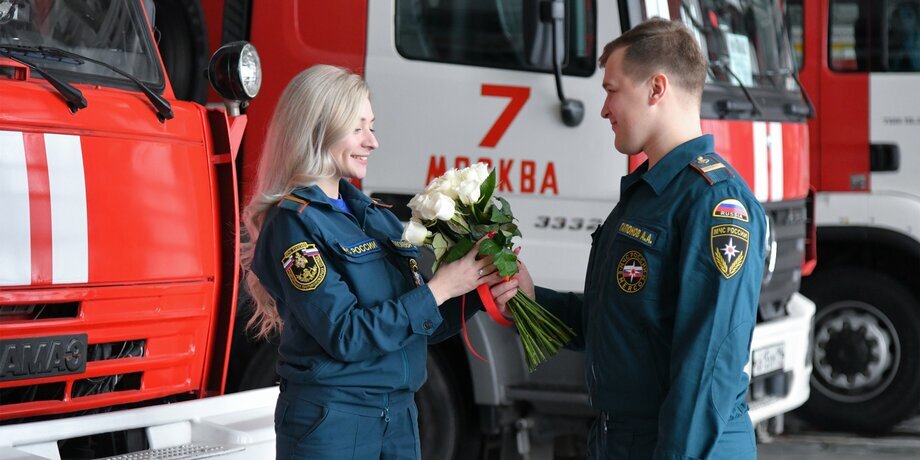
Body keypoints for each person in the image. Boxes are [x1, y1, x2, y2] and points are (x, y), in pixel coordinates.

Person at [491, 18, 766, 460]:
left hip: (683, 444)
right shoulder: (647, 194)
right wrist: (531, 299)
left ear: (656, 89)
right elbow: (619, 322)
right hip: (625, 438)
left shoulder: (715, 203)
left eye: (612, 90)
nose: (603, 109)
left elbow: (706, 367)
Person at [241, 64, 499, 460]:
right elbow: (346, 334)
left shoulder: (372, 217)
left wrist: (479, 287)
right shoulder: (292, 226)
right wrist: (442, 287)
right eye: (358, 127)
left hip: (397, 417)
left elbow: (416, 327)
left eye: (371, 126)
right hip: (334, 422)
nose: (372, 142)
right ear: (318, 128)